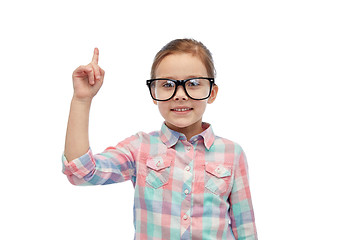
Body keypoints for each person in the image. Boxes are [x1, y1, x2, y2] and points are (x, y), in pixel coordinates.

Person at [62, 39, 258, 239]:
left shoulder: (233, 153)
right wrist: (82, 99)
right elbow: (81, 172)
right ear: (153, 93)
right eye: (167, 84)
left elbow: (245, 229)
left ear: (212, 92)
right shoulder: (140, 148)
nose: (180, 95)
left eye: (193, 83)